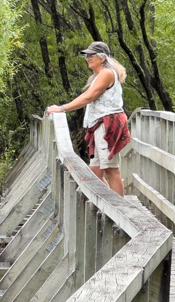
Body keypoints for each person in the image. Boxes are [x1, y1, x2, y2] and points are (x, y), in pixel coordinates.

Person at [46, 41, 131, 196]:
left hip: (107, 123)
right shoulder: (98, 76)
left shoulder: (107, 73)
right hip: (99, 123)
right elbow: (87, 97)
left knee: (111, 170)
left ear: (102, 57)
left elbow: (88, 97)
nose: (87, 58)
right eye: (86, 55)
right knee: (95, 172)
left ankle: (120, 211)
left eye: (91, 55)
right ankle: (107, 205)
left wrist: (62, 108)